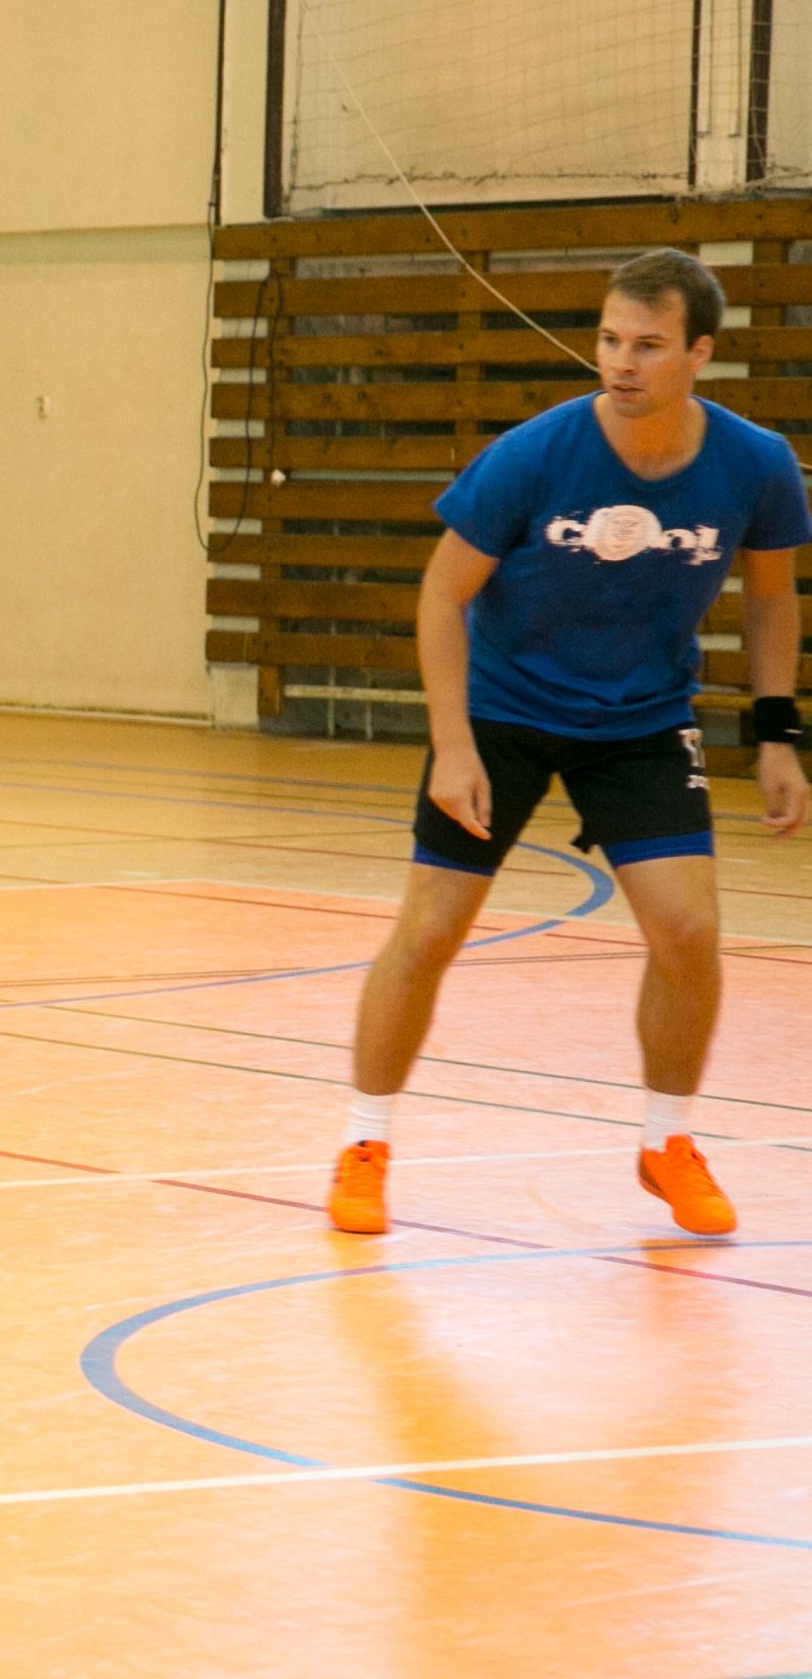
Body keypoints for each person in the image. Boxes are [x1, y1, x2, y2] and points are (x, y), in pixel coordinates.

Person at [329, 249, 811, 1237]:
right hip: (502, 713)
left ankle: (666, 1142)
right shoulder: (533, 454)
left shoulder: (756, 463)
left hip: (640, 722)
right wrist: (452, 743)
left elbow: (771, 598)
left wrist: (776, 734)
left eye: (647, 344)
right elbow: (440, 594)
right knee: (428, 930)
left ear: (699, 353)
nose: (620, 362)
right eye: (607, 339)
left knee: (688, 931)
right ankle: (363, 1141)